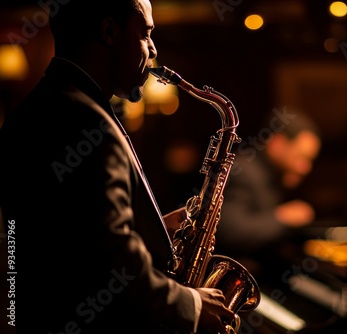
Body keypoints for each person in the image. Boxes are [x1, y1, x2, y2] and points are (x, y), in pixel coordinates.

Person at [0, 1, 235, 333]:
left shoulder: (50, 104)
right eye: (146, 34)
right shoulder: (84, 122)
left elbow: (73, 240)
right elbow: (110, 264)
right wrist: (192, 305)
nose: (153, 50)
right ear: (109, 32)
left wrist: (153, 230)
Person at [215, 109, 322, 271]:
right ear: (277, 144)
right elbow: (231, 232)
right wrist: (283, 217)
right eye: (301, 157)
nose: (306, 168)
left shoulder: (277, 174)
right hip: (231, 272)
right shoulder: (242, 171)